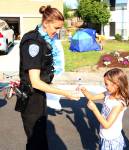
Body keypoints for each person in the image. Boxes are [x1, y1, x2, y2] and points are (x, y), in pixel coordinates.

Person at [16, 5, 78, 150]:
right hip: (31, 98)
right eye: (56, 28)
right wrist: (65, 93)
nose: (57, 32)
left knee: (41, 138)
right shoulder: (34, 43)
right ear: (45, 23)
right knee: (35, 141)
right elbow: (35, 82)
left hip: (39, 96)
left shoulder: (44, 40)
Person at [81, 68, 129, 150]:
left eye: (106, 84)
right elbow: (91, 97)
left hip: (112, 140)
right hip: (105, 136)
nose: (105, 86)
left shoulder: (118, 104)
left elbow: (107, 125)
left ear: (116, 85)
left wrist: (94, 109)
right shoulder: (108, 94)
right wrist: (84, 90)